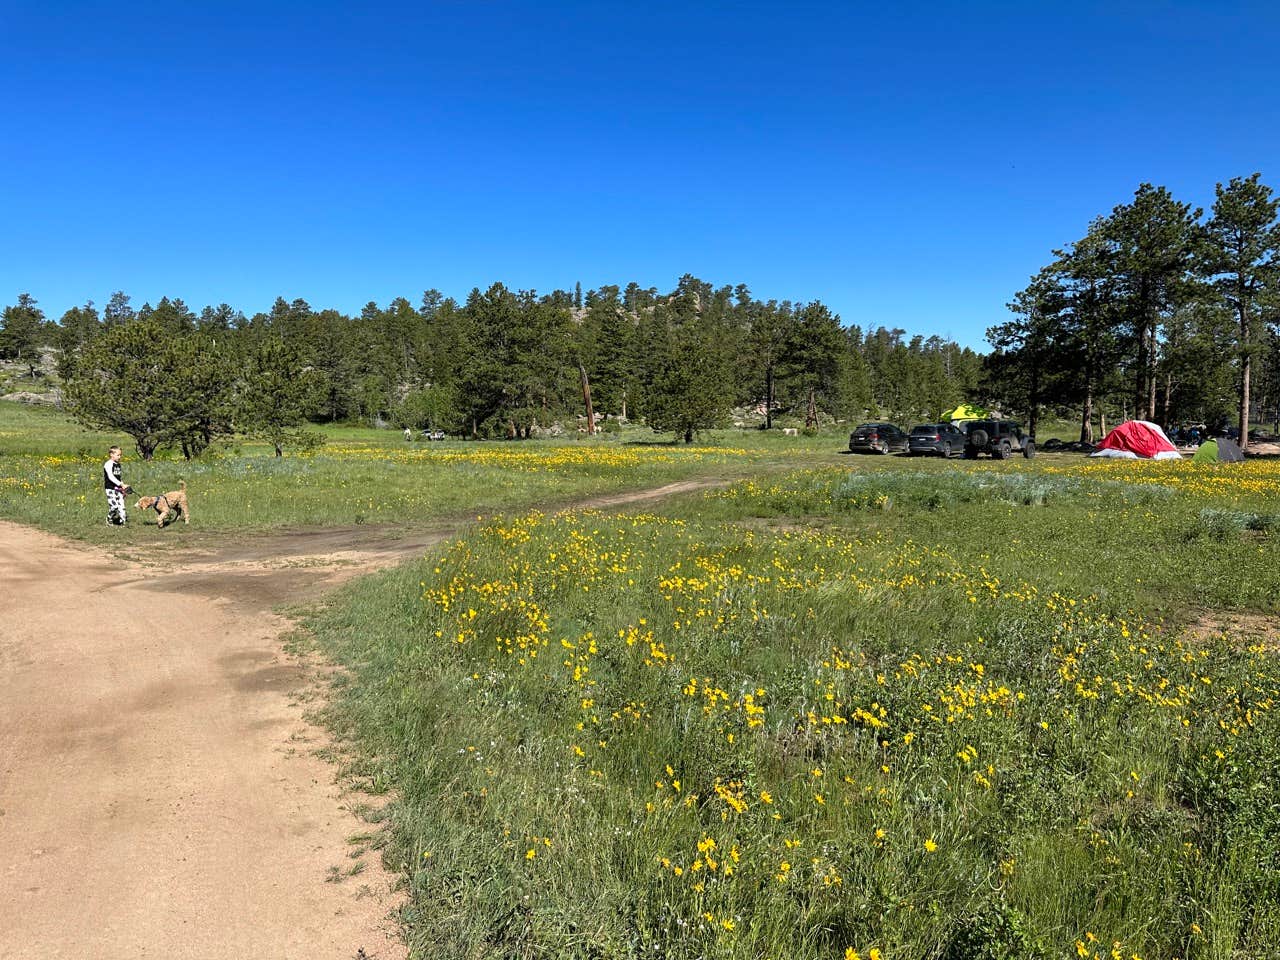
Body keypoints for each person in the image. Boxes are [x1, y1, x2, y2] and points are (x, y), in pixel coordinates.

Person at [103, 445, 129, 526]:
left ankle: (123, 522)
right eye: (118, 455)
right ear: (111, 454)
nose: (119, 457)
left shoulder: (118, 464)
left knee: (122, 506)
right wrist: (121, 484)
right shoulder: (108, 464)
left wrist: (123, 486)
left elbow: (118, 477)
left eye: (120, 455)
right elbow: (111, 477)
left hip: (118, 488)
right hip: (110, 489)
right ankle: (109, 518)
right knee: (114, 507)